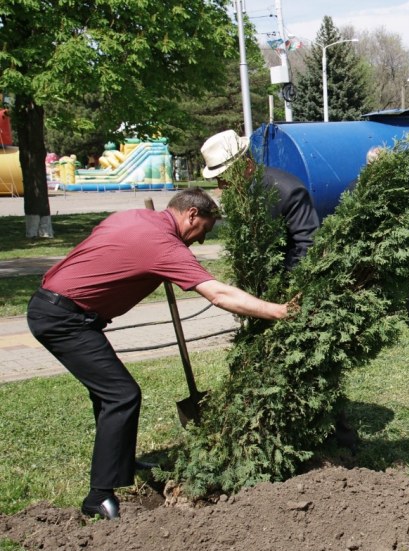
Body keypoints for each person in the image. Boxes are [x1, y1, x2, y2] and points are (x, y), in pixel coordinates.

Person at [27, 188, 290, 520]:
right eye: (204, 230)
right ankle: (98, 495)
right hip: (63, 319)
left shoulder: (134, 218)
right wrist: (277, 311)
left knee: (107, 391)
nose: (200, 241)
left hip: (57, 307)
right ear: (191, 215)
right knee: (122, 395)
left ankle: (120, 460)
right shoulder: (164, 245)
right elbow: (219, 294)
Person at [201, 129, 321, 269]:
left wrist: (285, 285)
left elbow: (307, 245)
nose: (221, 185)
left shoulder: (289, 192)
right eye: (218, 179)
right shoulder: (236, 197)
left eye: (226, 177)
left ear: (248, 166)